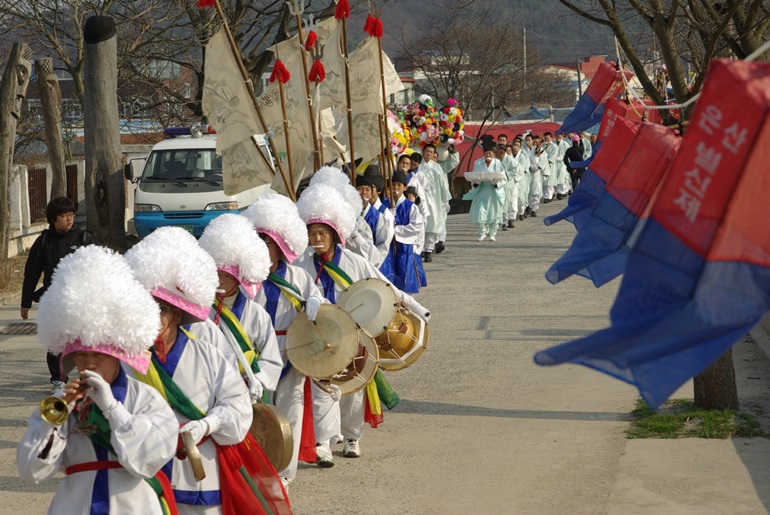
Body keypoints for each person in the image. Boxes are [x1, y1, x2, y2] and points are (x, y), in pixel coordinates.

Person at [124, 227, 289, 514]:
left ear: (177, 312)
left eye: (162, 309)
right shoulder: (127, 359)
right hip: (146, 468)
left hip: (198, 466)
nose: (154, 318)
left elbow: (236, 403)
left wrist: (209, 424)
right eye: (147, 308)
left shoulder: (207, 350)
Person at [17, 245, 179, 514]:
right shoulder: (60, 402)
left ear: (117, 356)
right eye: (81, 355)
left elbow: (152, 460)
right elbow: (31, 471)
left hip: (134, 505)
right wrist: (58, 417)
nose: (89, 364)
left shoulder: (145, 397)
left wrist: (112, 408)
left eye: (99, 355)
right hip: (75, 506)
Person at [293, 183, 430, 464]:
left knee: (351, 389)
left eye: (322, 233)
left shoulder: (354, 261)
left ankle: (352, 436)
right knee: (322, 387)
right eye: (312, 233)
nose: (316, 238)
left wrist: (417, 308)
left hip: (354, 334)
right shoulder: (303, 266)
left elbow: (385, 286)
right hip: (320, 335)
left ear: (334, 234)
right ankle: (323, 443)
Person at [243, 193, 327, 481]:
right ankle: (260, 467)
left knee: (292, 411)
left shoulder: (298, 276)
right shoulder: (248, 278)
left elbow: (318, 298)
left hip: (292, 348)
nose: (263, 247)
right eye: (259, 241)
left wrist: (315, 302)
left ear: (280, 246)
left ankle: (286, 475)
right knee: (258, 412)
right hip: (255, 353)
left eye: (268, 243)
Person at [198, 213, 283, 405]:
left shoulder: (257, 314)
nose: (220, 281)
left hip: (247, 390)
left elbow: (271, 358)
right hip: (208, 390)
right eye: (217, 274)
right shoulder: (201, 310)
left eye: (227, 276)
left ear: (239, 279)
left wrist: (259, 380)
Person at [21, 196, 96, 393]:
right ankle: (58, 380)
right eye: (64, 216)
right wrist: (25, 302)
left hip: (81, 301)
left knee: (85, 341)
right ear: (53, 219)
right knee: (57, 342)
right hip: (54, 300)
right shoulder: (44, 241)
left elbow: (98, 269)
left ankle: (88, 378)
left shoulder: (84, 238)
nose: (69, 219)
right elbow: (32, 273)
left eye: (71, 214)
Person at [383, 171, 424, 293]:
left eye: (399, 185)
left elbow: (417, 226)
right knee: (389, 276)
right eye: (393, 184)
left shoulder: (410, 206)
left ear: (405, 188)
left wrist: (396, 230)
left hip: (404, 246)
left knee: (405, 275)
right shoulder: (385, 204)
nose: (395, 188)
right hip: (388, 245)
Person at [463, 137, 505, 241]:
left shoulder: (498, 163)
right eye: (486, 153)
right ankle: (482, 232)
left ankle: (492, 233)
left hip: (493, 191)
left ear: (493, 153)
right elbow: (474, 175)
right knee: (479, 212)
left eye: (490, 153)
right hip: (482, 189)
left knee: (494, 213)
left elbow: (504, 178)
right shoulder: (478, 162)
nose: (488, 155)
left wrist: (495, 183)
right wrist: (476, 183)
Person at [418, 144, 452, 262]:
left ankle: (428, 250)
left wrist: (445, 200)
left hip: (434, 200)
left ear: (434, 154)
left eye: (431, 152)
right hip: (421, 199)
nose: (428, 154)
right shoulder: (418, 166)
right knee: (420, 224)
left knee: (432, 225)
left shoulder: (437, 167)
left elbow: (443, 184)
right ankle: (420, 249)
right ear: (423, 152)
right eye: (427, 151)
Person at [356, 171, 395, 273]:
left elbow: (383, 244)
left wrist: (373, 262)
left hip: (374, 266)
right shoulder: (349, 214)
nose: (363, 192)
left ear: (371, 193)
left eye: (367, 189)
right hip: (354, 264)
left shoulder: (379, 216)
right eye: (360, 189)